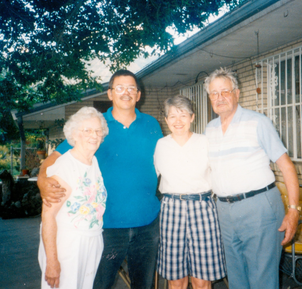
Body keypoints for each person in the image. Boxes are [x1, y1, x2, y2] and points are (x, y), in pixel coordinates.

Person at [37, 70, 163, 289]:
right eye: (120, 88)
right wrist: (41, 182)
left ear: (139, 95)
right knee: (99, 285)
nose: (126, 92)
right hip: (106, 226)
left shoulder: (152, 125)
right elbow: (52, 161)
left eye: (132, 88)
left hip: (147, 223)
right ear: (110, 93)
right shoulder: (95, 125)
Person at [203, 67, 300, 289]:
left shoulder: (258, 122)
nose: (220, 98)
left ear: (237, 93)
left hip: (259, 208)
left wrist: (294, 210)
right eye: (214, 93)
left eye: (225, 91)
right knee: (236, 279)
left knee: (262, 279)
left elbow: (286, 166)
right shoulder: (210, 129)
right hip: (224, 211)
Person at [154, 95, 226, 289]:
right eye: (173, 116)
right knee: (176, 279)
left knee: (201, 279)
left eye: (183, 115)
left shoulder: (205, 142)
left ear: (192, 117)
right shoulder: (161, 145)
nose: (178, 121)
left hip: (202, 208)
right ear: (166, 120)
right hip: (171, 209)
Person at [38, 107, 108, 289]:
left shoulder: (93, 161)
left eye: (98, 131)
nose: (94, 135)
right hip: (68, 246)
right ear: (74, 135)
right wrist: (52, 262)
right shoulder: (65, 166)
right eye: (87, 130)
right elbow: (48, 216)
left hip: (92, 241)